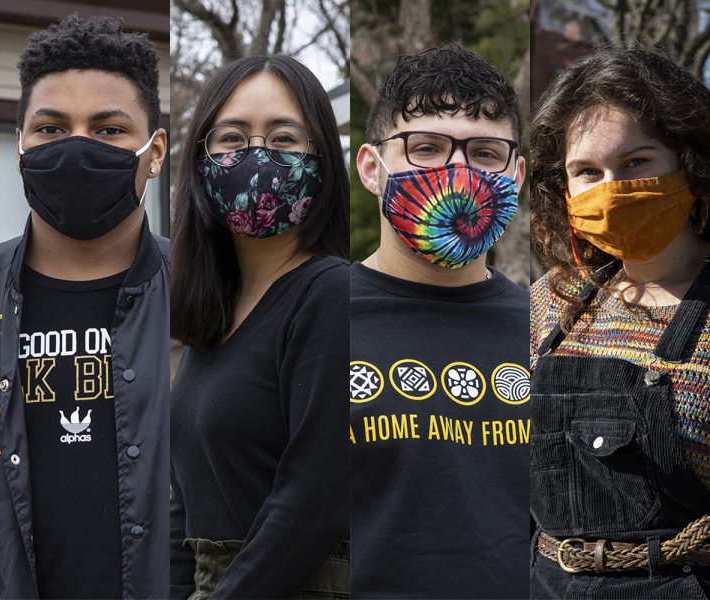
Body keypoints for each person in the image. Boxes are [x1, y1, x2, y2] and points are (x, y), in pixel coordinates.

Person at [0, 15, 170, 600]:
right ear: (19, 146)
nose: (75, 148)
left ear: (156, 151)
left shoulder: (211, 292)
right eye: (50, 127)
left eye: (109, 130)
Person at [530, 46, 710, 598]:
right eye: (587, 171)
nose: (611, 190)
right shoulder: (548, 304)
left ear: (690, 164)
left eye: (636, 163)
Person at [351, 43, 530, 598]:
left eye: (483, 152)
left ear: (516, 174)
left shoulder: (551, 331)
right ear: (371, 169)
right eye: (425, 148)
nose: (456, 170)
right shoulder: (311, 318)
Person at [168, 54, 350, 598]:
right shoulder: (213, 315)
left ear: (322, 159)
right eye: (232, 138)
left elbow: (315, 498)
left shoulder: (331, 294)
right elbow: (189, 502)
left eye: (284, 139)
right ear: (201, 159)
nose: (257, 157)